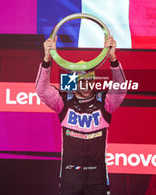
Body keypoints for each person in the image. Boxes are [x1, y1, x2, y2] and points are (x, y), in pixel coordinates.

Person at [36, 36, 126, 195]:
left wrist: (113, 60)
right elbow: (42, 91)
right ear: (74, 81)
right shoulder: (64, 100)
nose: (86, 83)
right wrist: (46, 60)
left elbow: (120, 90)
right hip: (70, 177)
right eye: (81, 79)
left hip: (96, 177)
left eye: (89, 78)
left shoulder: (104, 102)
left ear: (93, 80)